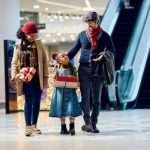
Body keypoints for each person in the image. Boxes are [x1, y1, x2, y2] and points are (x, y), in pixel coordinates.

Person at [66, 11, 115, 133]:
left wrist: (103, 56)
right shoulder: (82, 35)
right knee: (85, 98)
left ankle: (94, 123)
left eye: (91, 22)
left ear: (97, 21)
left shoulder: (105, 36)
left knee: (97, 99)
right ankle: (87, 122)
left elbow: (112, 52)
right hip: (84, 69)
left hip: (98, 70)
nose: (89, 24)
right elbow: (73, 50)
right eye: (87, 22)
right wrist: (63, 57)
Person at [11, 21, 48, 136]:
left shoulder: (39, 44)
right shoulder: (18, 45)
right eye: (31, 35)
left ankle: (34, 125)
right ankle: (28, 127)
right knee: (28, 101)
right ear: (25, 34)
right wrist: (14, 75)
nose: (33, 37)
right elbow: (14, 62)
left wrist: (45, 75)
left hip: (37, 78)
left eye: (34, 35)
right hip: (25, 78)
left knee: (37, 101)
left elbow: (44, 60)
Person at [49, 53, 81, 136]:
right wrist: (56, 80)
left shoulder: (72, 68)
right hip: (60, 92)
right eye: (62, 56)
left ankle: (72, 127)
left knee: (71, 109)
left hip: (70, 91)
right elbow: (54, 79)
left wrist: (73, 79)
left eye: (66, 55)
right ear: (59, 60)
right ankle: (63, 128)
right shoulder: (58, 68)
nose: (65, 56)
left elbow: (76, 79)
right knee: (61, 109)